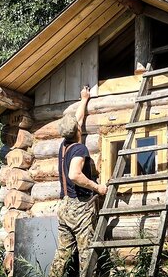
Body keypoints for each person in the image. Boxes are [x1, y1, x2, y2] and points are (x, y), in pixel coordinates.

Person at [49, 86, 107, 277]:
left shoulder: (64, 145)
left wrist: (84, 99)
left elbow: (78, 120)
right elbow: (75, 174)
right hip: (79, 208)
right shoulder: (79, 149)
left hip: (65, 206)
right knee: (87, 255)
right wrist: (97, 187)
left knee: (62, 256)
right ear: (77, 132)